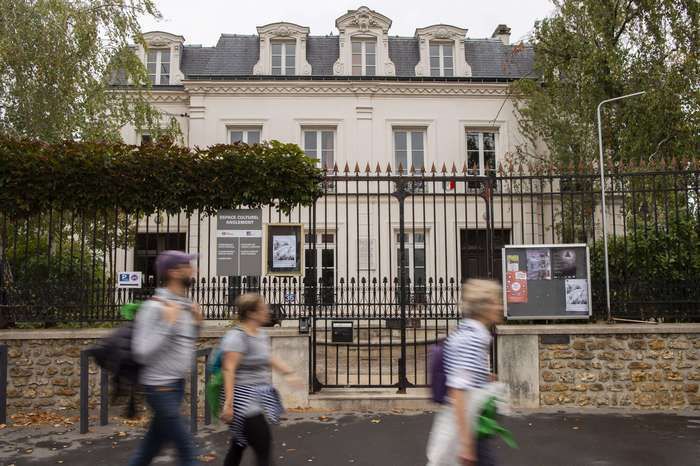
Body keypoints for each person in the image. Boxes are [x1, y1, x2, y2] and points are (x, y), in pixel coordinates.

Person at [128, 250, 203, 466]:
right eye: (188, 266)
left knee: (149, 449)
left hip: (175, 386)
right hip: (160, 388)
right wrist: (168, 324)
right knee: (187, 451)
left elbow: (183, 343)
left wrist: (197, 323)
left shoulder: (182, 305)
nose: (194, 270)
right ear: (173, 272)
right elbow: (141, 351)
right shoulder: (155, 307)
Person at [219, 293, 302, 466]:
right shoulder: (237, 337)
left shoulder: (260, 334)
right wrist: (228, 404)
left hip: (257, 396)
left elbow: (267, 357)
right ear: (251, 313)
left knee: (238, 444)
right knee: (262, 445)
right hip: (242, 400)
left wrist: (289, 373)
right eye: (263, 308)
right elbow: (229, 369)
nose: (267, 310)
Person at [427, 279, 503, 466]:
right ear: (483, 307)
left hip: (471, 423)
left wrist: (485, 377)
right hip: (467, 424)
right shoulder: (472, 339)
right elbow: (458, 390)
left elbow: (463, 373)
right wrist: (466, 445)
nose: (500, 306)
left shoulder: (468, 332)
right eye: (496, 301)